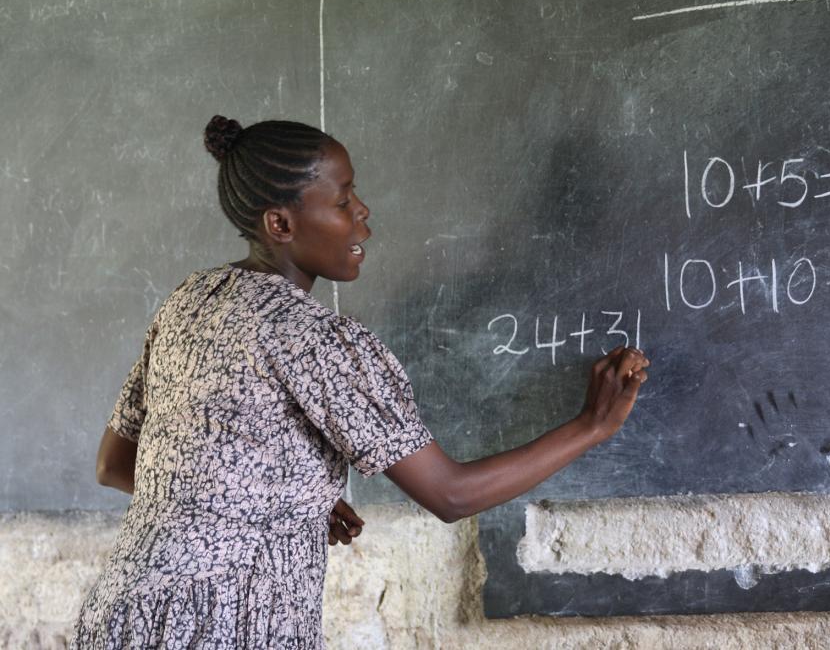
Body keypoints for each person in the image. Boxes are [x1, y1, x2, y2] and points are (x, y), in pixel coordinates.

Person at [70, 116, 650, 648]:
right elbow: (451, 494)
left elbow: (116, 463)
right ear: (280, 223)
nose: (363, 214)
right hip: (225, 625)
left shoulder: (193, 301)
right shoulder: (312, 338)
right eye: (344, 201)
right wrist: (591, 426)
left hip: (126, 614)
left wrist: (283, 500)